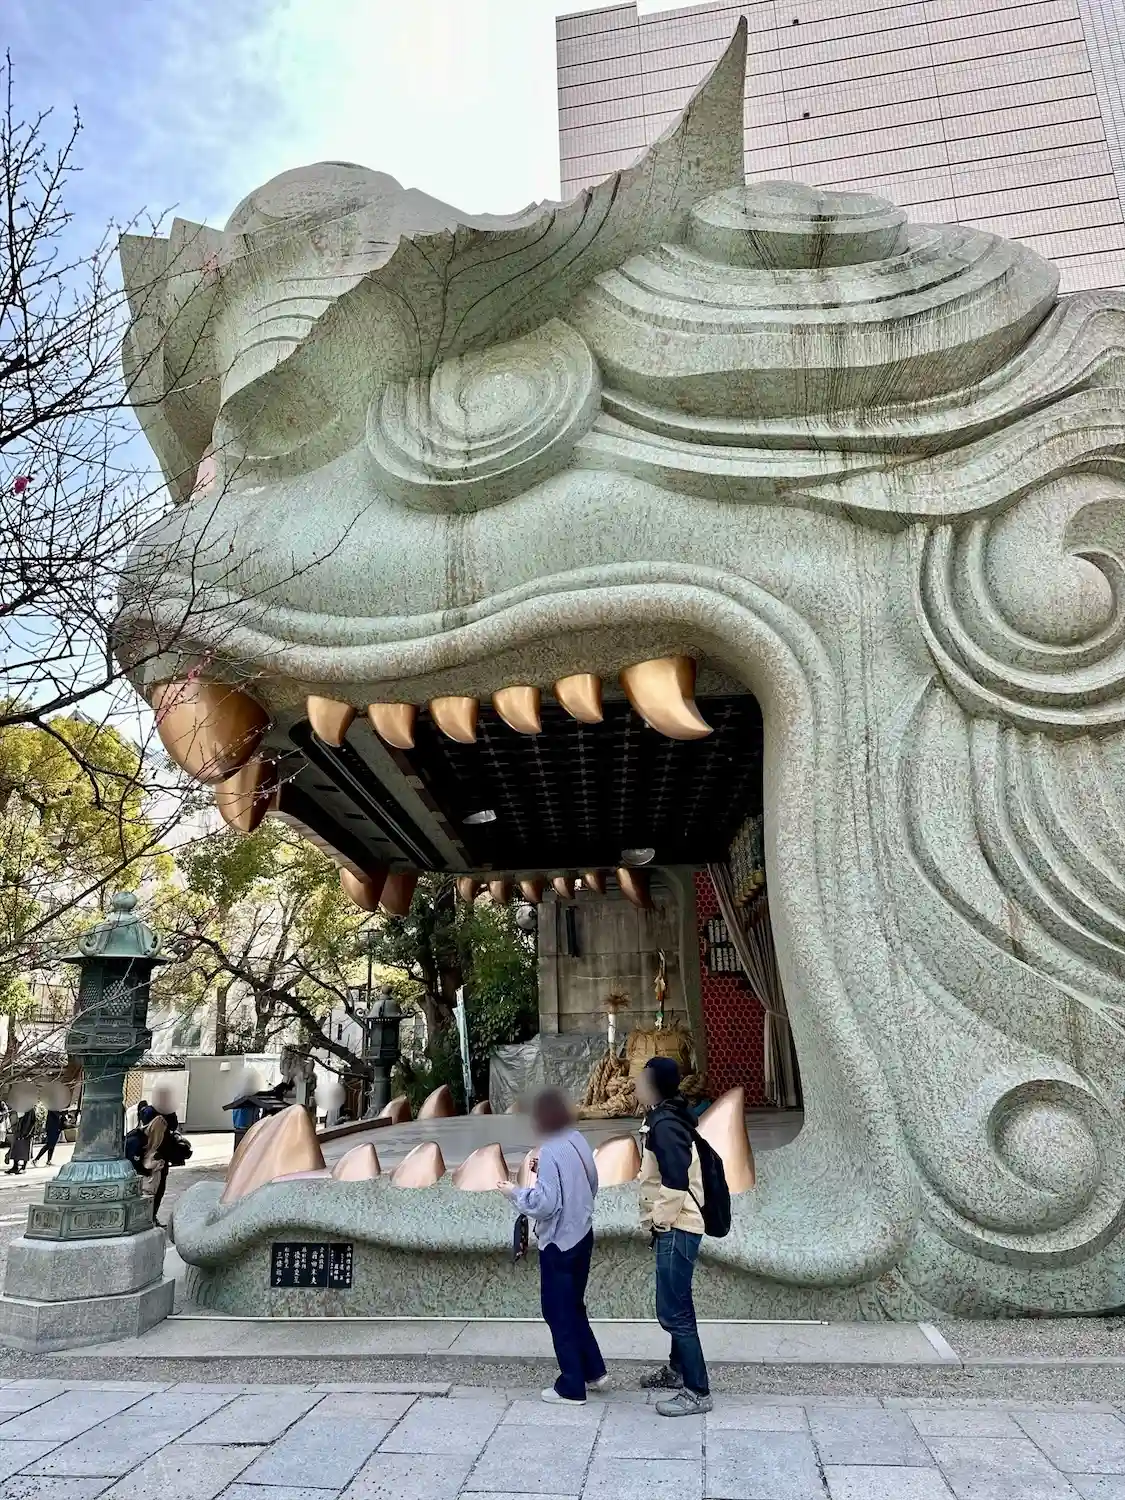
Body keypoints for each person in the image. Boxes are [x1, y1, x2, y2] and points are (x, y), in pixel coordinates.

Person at [497, 1087, 609, 1406]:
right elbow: (592, 1181)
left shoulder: (548, 1151)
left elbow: (545, 1204)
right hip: (582, 1232)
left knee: (557, 1310)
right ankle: (593, 1370)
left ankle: (571, 1385)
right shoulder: (577, 1139)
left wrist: (514, 1193)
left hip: (558, 1242)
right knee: (573, 1305)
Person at [636, 1056, 713, 1417]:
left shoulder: (665, 1125)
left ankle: (697, 1391)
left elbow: (676, 1181)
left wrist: (659, 1223)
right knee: (678, 1304)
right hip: (677, 1224)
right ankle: (678, 1370)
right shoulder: (666, 1117)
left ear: (654, 1086)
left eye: (641, 1080)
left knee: (674, 1311)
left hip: (678, 1227)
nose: (635, 1085)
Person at [5, 1105, 36, 1175]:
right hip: (18, 1130)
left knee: (26, 1149)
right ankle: (15, 1166)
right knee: (16, 1148)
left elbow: (33, 1121)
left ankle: (24, 1167)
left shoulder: (30, 1108)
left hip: (27, 1132)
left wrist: (28, 1132)